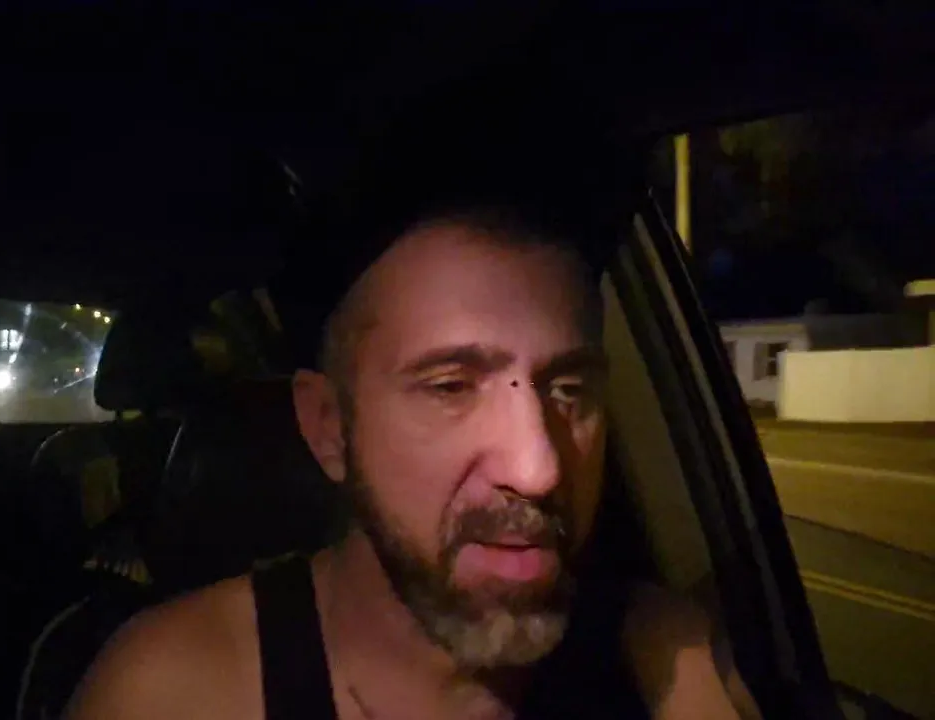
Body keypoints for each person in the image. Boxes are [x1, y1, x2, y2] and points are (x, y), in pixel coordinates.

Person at [68, 115, 762, 718]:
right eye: (450, 387)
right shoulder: (173, 690)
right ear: (329, 426)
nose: (539, 469)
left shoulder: (664, 661)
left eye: (569, 389)